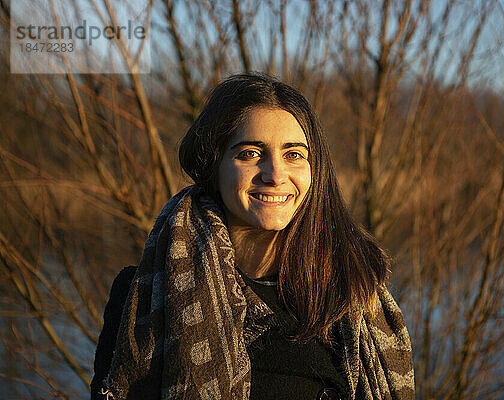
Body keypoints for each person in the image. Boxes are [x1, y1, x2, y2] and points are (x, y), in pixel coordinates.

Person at [91, 73, 414, 400]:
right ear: (214, 165)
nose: (275, 175)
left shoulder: (351, 297)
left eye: (294, 154)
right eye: (249, 153)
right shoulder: (147, 300)